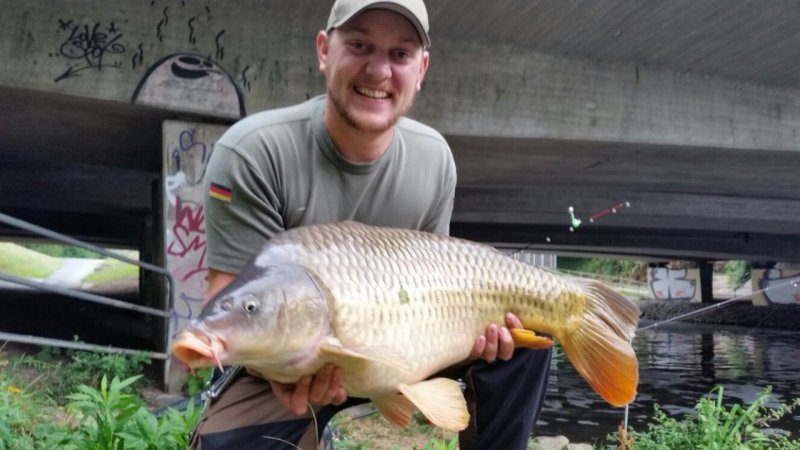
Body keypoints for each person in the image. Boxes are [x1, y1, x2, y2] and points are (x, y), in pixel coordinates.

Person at [189, 0, 552, 448]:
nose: (378, 71)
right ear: (324, 50)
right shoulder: (253, 153)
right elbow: (227, 295)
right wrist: (279, 372)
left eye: (399, 55)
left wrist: (468, 341)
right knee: (233, 443)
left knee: (528, 342)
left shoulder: (434, 159)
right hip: (288, 364)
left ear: (421, 69)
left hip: (404, 341)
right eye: (360, 45)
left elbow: (435, 281)